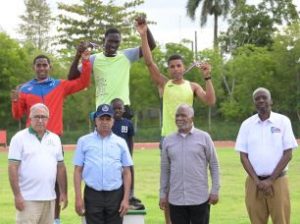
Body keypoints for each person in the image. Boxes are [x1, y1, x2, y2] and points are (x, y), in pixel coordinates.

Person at [138, 20, 216, 223]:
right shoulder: (165, 84)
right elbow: (148, 62)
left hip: (190, 138)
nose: (175, 69)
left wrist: (208, 77)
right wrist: (143, 34)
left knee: (193, 180)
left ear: (183, 67)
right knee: (171, 185)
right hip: (168, 139)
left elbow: (210, 101)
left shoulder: (192, 86)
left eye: (178, 65)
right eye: (171, 66)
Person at [10, 45, 91, 224]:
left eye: (44, 65)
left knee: (55, 180)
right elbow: (17, 115)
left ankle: (55, 219)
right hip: (32, 139)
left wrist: (85, 61)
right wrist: (15, 100)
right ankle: (27, 206)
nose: (41, 68)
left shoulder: (59, 85)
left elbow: (83, 83)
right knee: (33, 176)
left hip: (53, 139)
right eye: (38, 65)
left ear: (50, 67)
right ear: (34, 68)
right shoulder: (25, 89)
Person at [67, 16, 156, 119]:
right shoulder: (94, 59)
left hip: (122, 109)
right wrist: (78, 55)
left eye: (116, 42)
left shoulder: (126, 56)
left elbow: (151, 46)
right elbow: (71, 77)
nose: (113, 45)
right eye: (110, 41)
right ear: (104, 40)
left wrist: (145, 31)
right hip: (103, 110)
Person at [235, 87, 298, 224]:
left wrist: (270, 180)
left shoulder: (283, 121)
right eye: (257, 99)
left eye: (264, 97)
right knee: (256, 221)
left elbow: (288, 154)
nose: (261, 100)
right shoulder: (246, 125)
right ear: (254, 103)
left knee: (281, 220)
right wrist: (258, 182)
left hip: (278, 181)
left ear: (271, 101)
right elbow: (243, 156)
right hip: (254, 183)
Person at [160, 104, 220, 224]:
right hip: (176, 200)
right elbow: (165, 169)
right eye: (177, 115)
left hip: (199, 198)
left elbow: (214, 165)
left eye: (183, 115)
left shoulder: (204, 138)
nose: (179, 118)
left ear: (192, 117)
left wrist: (215, 190)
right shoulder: (168, 140)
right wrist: (162, 193)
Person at [8, 103, 68, 224]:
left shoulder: (55, 139)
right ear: (30, 118)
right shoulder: (19, 138)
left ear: (48, 119)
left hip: (50, 199)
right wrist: (17, 195)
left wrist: (63, 192)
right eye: (36, 116)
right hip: (27, 200)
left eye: (43, 117)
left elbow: (60, 168)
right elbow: (12, 168)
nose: (40, 120)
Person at [74, 104, 133, 224]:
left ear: (113, 121)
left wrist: (126, 199)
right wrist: (78, 197)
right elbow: (77, 171)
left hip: (115, 196)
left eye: (108, 119)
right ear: (95, 120)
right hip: (92, 195)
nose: (104, 122)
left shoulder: (120, 142)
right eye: (101, 118)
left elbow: (127, 172)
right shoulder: (83, 141)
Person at [111, 98, 144, 210]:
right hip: (112, 156)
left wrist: (130, 155)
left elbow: (130, 140)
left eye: (119, 108)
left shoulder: (128, 123)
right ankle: (115, 197)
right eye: (114, 108)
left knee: (130, 171)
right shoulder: (109, 123)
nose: (117, 111)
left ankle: (130, 195)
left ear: (124, 109)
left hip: (125, 156)